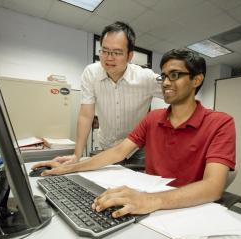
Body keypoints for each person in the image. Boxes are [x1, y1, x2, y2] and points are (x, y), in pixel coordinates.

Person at [33, 49, 236, 218]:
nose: (165, 83)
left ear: (196, 80)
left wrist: (152, 200)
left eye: (174, 75)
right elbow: (118, 152)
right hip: (146, 206)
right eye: (163, 76)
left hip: (186, 210)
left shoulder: (220, 123)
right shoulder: (153, 118)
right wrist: (71, 167)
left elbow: (213, 187)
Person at [53, 21, 162, 165]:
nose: (109, 58)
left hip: (137, 150)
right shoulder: (91, 73)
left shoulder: (145, 77)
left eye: (117, 53)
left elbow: (176, 93)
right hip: (107, 148)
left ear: (130, 56)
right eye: (104, 51)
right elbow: (86, 115)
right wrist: (76, 155)